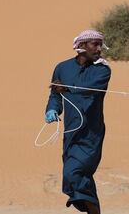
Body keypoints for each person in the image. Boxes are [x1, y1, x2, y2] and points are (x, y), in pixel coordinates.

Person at [44, 29, 111, 214]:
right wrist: (52, 109)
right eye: (94, 44)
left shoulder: (103, 70)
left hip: (91, 135)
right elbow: (55, 94)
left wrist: (66, 88)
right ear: (81, 46)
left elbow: (88, 89)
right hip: (71, 132)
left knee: (75, 173)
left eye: (100, 44)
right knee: (77, 177)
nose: (99, 49)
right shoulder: (62, 68)